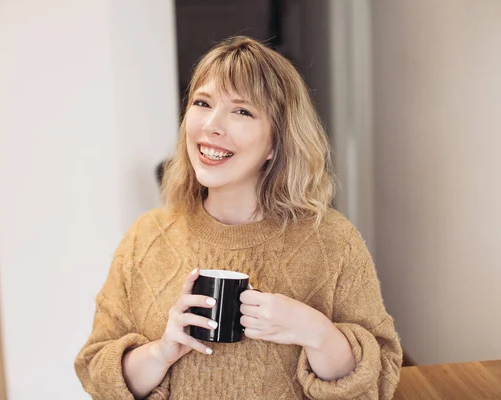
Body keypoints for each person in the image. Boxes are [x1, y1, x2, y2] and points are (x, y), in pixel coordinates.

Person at [75, 36, 402, 400]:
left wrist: (317, 332)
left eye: (242, 111)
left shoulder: (333, 242)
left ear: (275, 143)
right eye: (203, 103)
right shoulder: (146, 237)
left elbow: (379, 379)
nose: (212, 126)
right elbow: (96, 371)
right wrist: (163, 350)